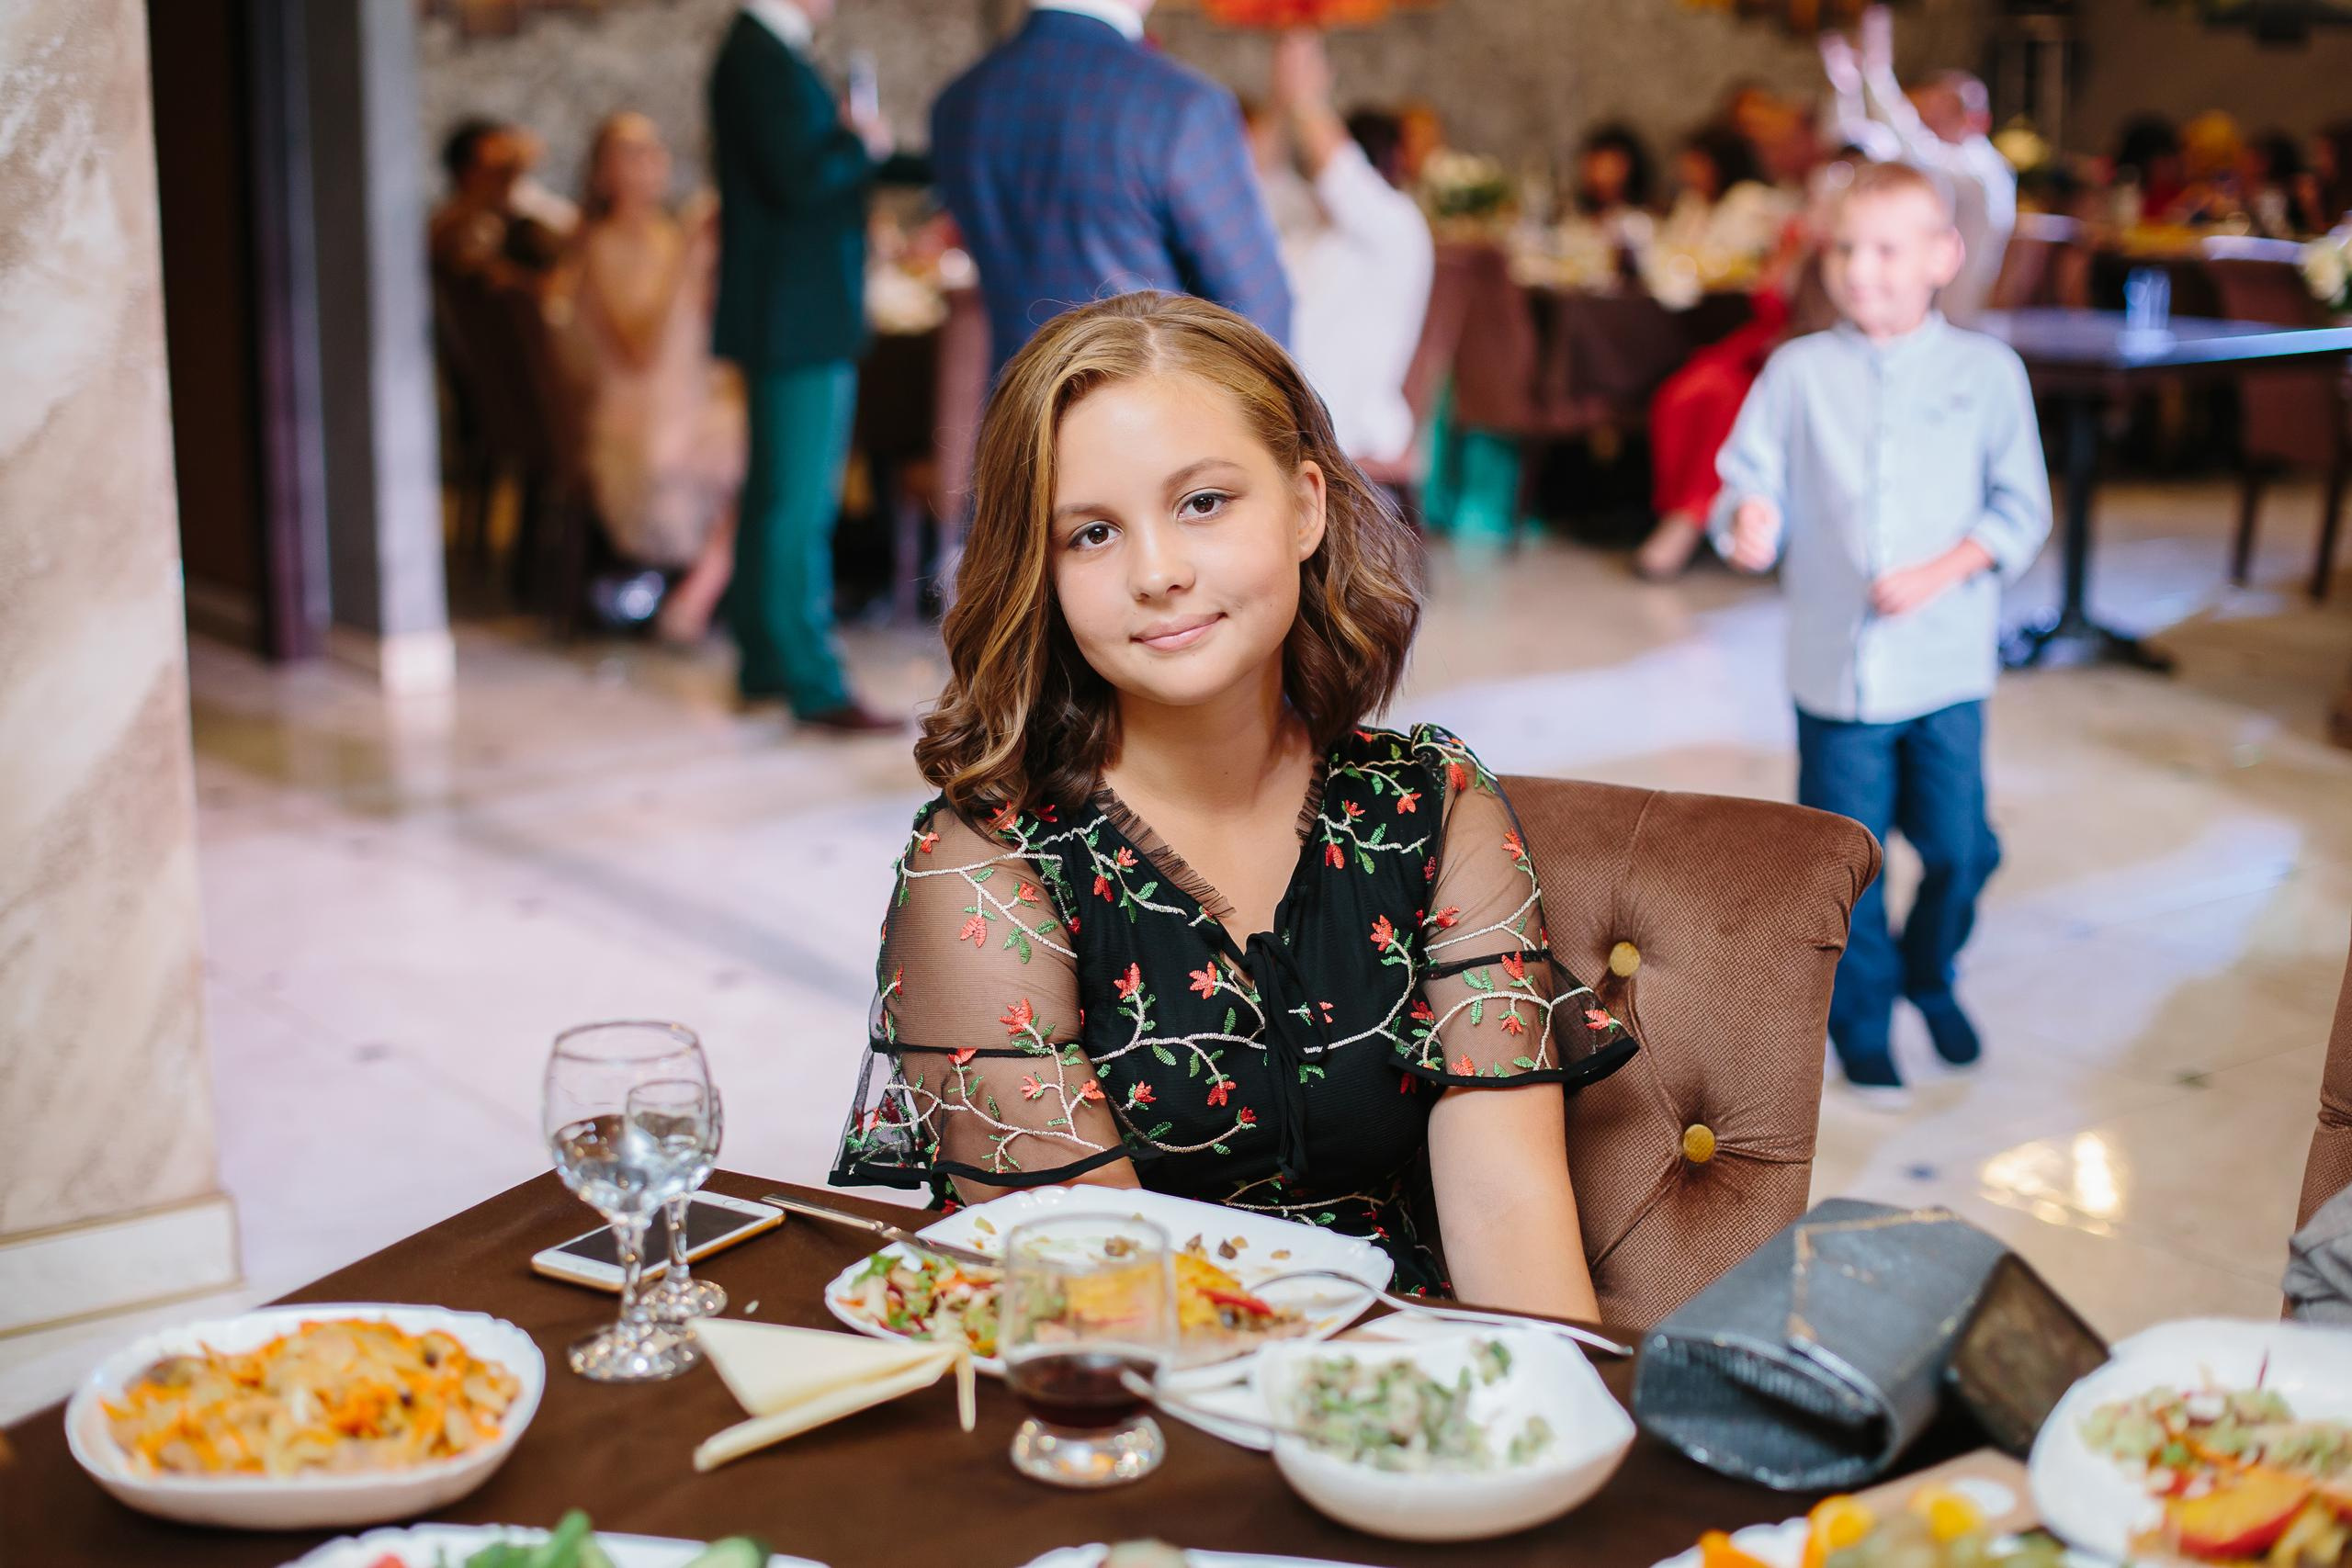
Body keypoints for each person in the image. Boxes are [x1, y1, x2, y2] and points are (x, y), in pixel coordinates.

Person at [829, 290, 1639, 1314]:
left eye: (1202, 503)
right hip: (1134, 1419)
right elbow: (1108, 1301)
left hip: (1415, 1403)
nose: (1158, 572)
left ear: (1305, 505)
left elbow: (1510, 1219)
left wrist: (1551, 1439)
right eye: (1089, 534)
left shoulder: (1428, 802)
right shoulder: (985, 870)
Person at [1710, 160, 2050, 1104]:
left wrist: (1947, 567)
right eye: (1846, 250)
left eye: (1887, 250)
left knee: (1957, 850)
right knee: (1843, 863)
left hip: (1945, 671)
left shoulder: (1987, 374)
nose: (1862, 271)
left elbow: (2020, 510)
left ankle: (1929, 974)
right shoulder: (1798, 372)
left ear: (1942, 256)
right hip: (1836, 676)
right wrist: (1746, 520)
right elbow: (1748, 478)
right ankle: (1861, 1018)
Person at [707, 0, 899, 731]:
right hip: (797, 315)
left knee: (772, 497)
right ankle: (814, 683)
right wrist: (866, 146)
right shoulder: (760, 54)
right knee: (800, 504)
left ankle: (763, 659)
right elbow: (798, 178)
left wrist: (875, 149)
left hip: (785, 311)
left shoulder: (762, 50)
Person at [928, 0, 1293, 377]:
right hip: (1146, 407)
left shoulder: (959, 102)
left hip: (1017, 404)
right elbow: (1259, 307)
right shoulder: (1178, 105)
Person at [563, 113, 745, 645]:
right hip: (632, 410)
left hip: (686, 400)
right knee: (748, 459)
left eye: (653, 150)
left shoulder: (672, 236)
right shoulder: (596, 246)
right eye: (628, 153)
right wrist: (686, 262)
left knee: (773, 449)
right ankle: (700, 593)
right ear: (601, 173)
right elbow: (639, 352)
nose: (647, 163)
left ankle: (698, 590)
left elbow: (700, 333)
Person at [1633, 157, 1846, 581]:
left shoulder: (1844, 262)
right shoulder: (1796, 243)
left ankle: (1688, 523)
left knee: (1727, 404)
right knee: (1684, 393)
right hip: (1762, 345)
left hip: (1803, 356)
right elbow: (1766, 297)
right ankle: (1683, 510)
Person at [1262, 31, 1432, 469]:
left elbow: (1339, 167)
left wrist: (1306, 92)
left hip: (1350, 436)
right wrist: (1284, 98)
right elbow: (1255, 172)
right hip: (1279, 419)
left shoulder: (1397, 227)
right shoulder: (1303, 216)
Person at [1821, 6, 2014, 325]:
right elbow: (1855, 140)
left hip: (1961, 320)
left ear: (1976, 119)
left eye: (1941, 114)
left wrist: (1877, 72)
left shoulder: (1981, 171)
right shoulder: (1943, 163)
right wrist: (1845, 87)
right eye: (1926, 113)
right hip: (1926, 314)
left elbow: (1913, 146)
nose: (1928, 123)